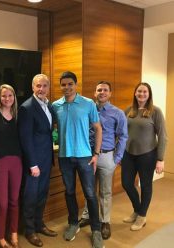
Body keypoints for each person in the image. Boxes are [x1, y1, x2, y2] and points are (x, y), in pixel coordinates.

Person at [52, 71, 104, 248]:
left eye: (70, 84)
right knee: (69, 192)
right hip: (65, 157)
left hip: (85, 157)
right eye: (63, 84)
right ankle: (73, 224)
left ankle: (96, 230)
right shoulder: (55, 105)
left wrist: (96, 154)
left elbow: (98, 129)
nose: (67, 87)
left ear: (76, 85)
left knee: (90, 193)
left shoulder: (88, 103)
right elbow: (53, 129)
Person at [79, 81, 128, 240]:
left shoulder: (117, 113)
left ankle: (105, 221)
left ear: (110, 93)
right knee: (88, 189)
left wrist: (117, 158)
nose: (102, 92)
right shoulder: (87, 110)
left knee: (105, 192)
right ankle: (87, 215)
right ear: (94, 93)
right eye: (99, 90)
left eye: (105, 90)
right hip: (88, 156)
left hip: (107, 157)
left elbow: (123, 136)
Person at [121, 82, 167, 231]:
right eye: (139, 91)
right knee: (127, 183)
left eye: (145, 92)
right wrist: (119, 153)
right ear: (135, 93)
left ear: (149, 94)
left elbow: (163, 136)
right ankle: (137, 210)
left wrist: (160, 159)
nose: (142, 94)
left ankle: (142, 216)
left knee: (146, 185)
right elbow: (120, 133)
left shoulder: (155, 112)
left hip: (147, 155)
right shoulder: (128, 110)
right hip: (128, 154)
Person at [18, 74, 57, 247]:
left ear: (48, 87)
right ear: (32, 87)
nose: (41, 89)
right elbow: (25, 138)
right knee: (31, 196)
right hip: (34, 162)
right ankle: (29, 230)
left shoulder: (49, 104)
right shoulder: (27, 107)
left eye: (44, 86)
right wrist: (32, 163)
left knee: (42, 193)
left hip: (47, 158)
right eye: (38, 86)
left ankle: (39, 224)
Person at [0, 84, 23, 248]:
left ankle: (14, 233)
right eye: (4, 96)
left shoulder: (19, 114)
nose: (7, 98)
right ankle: (0, 237)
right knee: (2, 203)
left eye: (10, 95)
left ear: (14, 97)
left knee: (14, 201)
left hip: (16, 162)